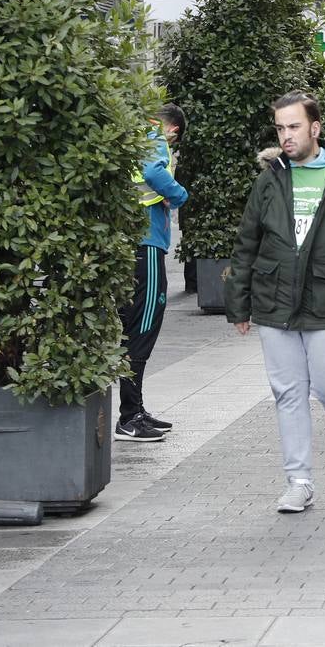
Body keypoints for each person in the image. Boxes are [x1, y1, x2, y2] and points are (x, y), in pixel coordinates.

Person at [225, 92, 325, 513]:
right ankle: (299, 480)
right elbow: (247, 242)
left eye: (293, 126)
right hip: (276, 299)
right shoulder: (270, 179)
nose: (286, 135)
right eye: (280, 127)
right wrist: (238, 302)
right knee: (288, 392)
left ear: (315, 128)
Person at [115, 105, 189, 443]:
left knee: (133, 325)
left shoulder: (132, 134)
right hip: (146, 243)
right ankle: (130, 416)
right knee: (143, 326)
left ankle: (135, 409)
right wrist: (179, 195)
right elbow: (153, 172)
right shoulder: (154, 136)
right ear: (174, 130)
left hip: (130, 240)